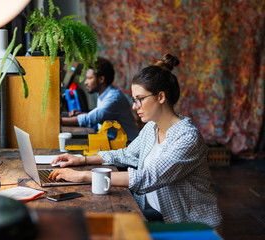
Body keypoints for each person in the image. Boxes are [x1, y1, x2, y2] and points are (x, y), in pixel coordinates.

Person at [50, 54, 223, 232]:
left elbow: (148, 177)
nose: (134, 106)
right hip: (155, 213)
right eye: (134, 100)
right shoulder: (151, 128)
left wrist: (84, 176)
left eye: (139, 99)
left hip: (187, 224)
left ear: (161, 97)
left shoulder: (187, 138)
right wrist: (81, 160)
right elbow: (126, 154)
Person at [62, 57, 139, 142]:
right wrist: (81, 114)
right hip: (115, 143)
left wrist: (58, 121)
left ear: (101, 79)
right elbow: (99, 115)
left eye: (89, 78)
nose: (86, 82)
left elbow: (90, 119)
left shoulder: (113, 98)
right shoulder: (103, 94)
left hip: (128, 144)